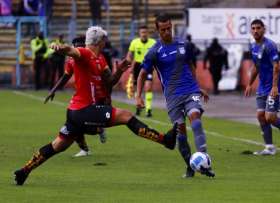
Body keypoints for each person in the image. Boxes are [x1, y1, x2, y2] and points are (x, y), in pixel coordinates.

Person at [14, 26, 177, 186]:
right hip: (85, 111)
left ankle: (24, 171)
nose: (106, 43)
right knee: (126, 116)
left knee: (57, 145)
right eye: (104, 40)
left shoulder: (98, 59)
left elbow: (110, 82)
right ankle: (165, 140)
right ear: (99, 41)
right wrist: (59, 47)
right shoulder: (85, 53)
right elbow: (71, 51)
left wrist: (119, 71)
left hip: (75, 112)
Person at [136, 13, 215, 178]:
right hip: (172, 97)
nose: (167, 32)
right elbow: (142, 74)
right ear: (158, 31)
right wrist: (138, 96)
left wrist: (197, 86)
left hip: (190, 91)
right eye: (163, 29)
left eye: (169, 28)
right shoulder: (154, 51)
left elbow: (191, 66)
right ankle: (190, 167)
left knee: (196, 121)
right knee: (181, 134)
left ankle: (205, 162)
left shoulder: (184, 44)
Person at [245, 19, 280, 156]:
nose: (256, 30)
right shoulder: (253, 47)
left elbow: (276, 66)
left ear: (264, 29)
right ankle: (269, 147)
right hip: (262, 86)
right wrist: (250, 84)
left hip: (274, 87)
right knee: (260, 115)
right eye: (253, 28)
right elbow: (256, 67)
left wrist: (275, 86)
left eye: (258, 28)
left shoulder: (270, 45)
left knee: (270, 117)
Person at [45, 36, 107, 157]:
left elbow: (106, 76)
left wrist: (107, 94)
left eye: (80, 45)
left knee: (82, 125)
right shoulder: (72, 61)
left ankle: (99, 129)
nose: (78, 47)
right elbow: (65, 76)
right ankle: (86, 148)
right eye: (76, 45)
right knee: (76, 125)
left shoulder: (95, 57)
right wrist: (53, 90)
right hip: (82, 99)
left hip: (97, 96)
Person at [126, 25, 156, 117]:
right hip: (138, 66)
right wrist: (129, 64)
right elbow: (130, 54)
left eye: (145, 32)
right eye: (142, 32)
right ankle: (138, 106)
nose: (144, 34)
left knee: (148, 87)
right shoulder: (134, 42)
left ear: (148, 33)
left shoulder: (153, 43)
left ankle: (148, 109)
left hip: (149, 66)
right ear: (139, 33)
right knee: (137, 88)